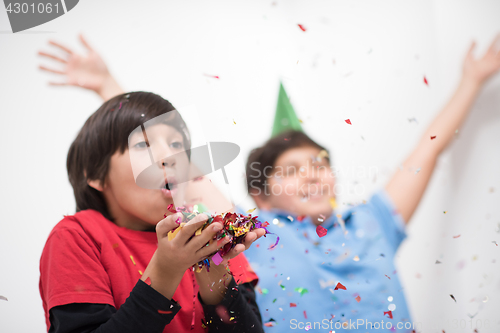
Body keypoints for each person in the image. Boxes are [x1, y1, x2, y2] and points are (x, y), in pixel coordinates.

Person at [243, 35, 500, 332]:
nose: (312, 175)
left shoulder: (371, 222)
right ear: (260, 197)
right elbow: (186, 174)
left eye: (320, 164)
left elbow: (428, 149)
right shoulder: (249, 237)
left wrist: (471, 81)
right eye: (291, 171)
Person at [38, 90, 266, 333]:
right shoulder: (77, 236)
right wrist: (165, 271)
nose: (170, 156)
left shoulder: (212, 236)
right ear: (95, 173)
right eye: (142, 144)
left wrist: (214, 272)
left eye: (177, 144)